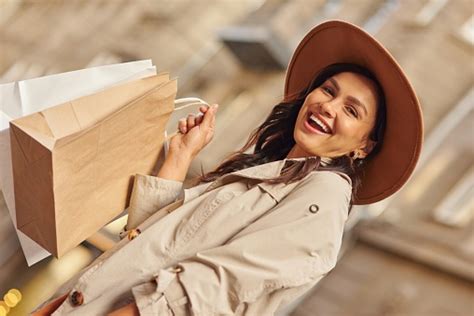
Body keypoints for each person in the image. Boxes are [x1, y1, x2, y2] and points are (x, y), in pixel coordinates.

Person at [33, 20, 423, 316]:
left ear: (362, 146)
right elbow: (150, 240)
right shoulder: (270, 172)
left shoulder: (326, 193)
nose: (328, 106)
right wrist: (180, 156)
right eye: (328, 90)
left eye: (352, 111)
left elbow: (220, 284)